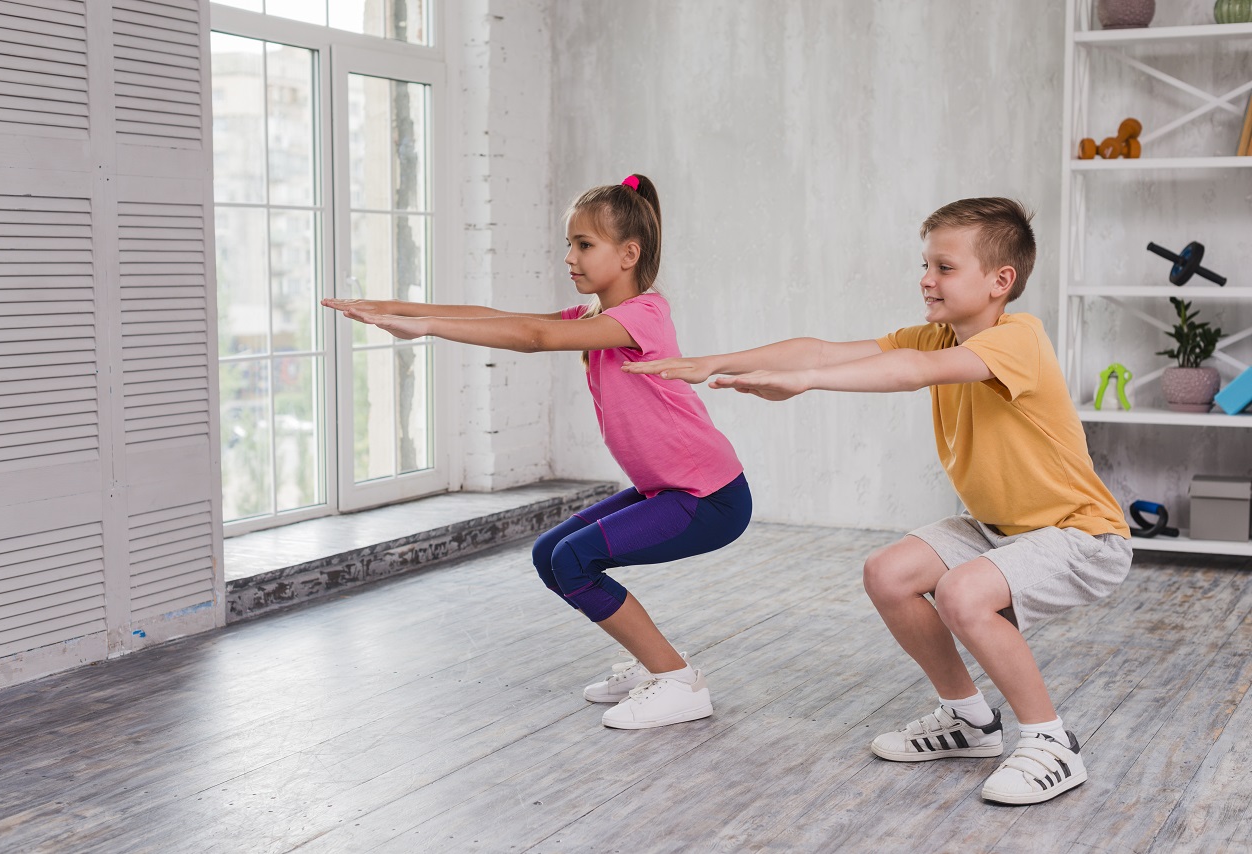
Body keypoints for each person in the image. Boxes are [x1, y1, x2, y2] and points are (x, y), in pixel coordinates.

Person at [625, 197, 1131, 802]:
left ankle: (1052, 742)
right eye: (926, 265)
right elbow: (822, 351)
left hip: (1081, 535)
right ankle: (969, 721)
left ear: (1002, 281)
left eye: (944, 267)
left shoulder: (1019, 339)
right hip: (1000, 526)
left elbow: (911, 371)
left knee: (962, 593)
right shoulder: (938, 334)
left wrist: (806, 382)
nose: (926, 279)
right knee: (888, 573)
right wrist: (711, 362)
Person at [323, 174, 752, 730]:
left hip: (709, 497)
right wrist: (391, 309)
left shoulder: (644, 315)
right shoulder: (595, 319)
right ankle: (659, 666)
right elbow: (498, 318)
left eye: (584, 245)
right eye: (568, 244)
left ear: (629, 253)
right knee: (553, 554)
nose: (569, 257)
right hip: (670, 490)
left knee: (576, 560)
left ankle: (677, 683)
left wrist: (424, 326)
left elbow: (533, 338)